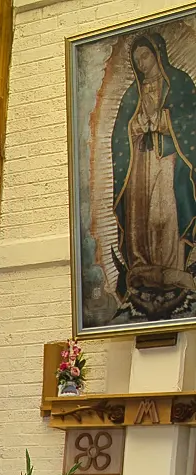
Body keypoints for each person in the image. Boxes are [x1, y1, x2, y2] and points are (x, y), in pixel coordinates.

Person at [112, 30, 196, 308]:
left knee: (165, 213)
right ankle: (142, 267)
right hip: (140, 163)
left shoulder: (180, 83)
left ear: (158, 54)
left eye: (145, 56)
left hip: (168, 160)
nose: (142, 64)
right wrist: (137, 125)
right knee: (142, 215)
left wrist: (161, 121)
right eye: (137, 60)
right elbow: (120, 133)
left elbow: (191, 122)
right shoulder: (132, 94)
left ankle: (172, 267)